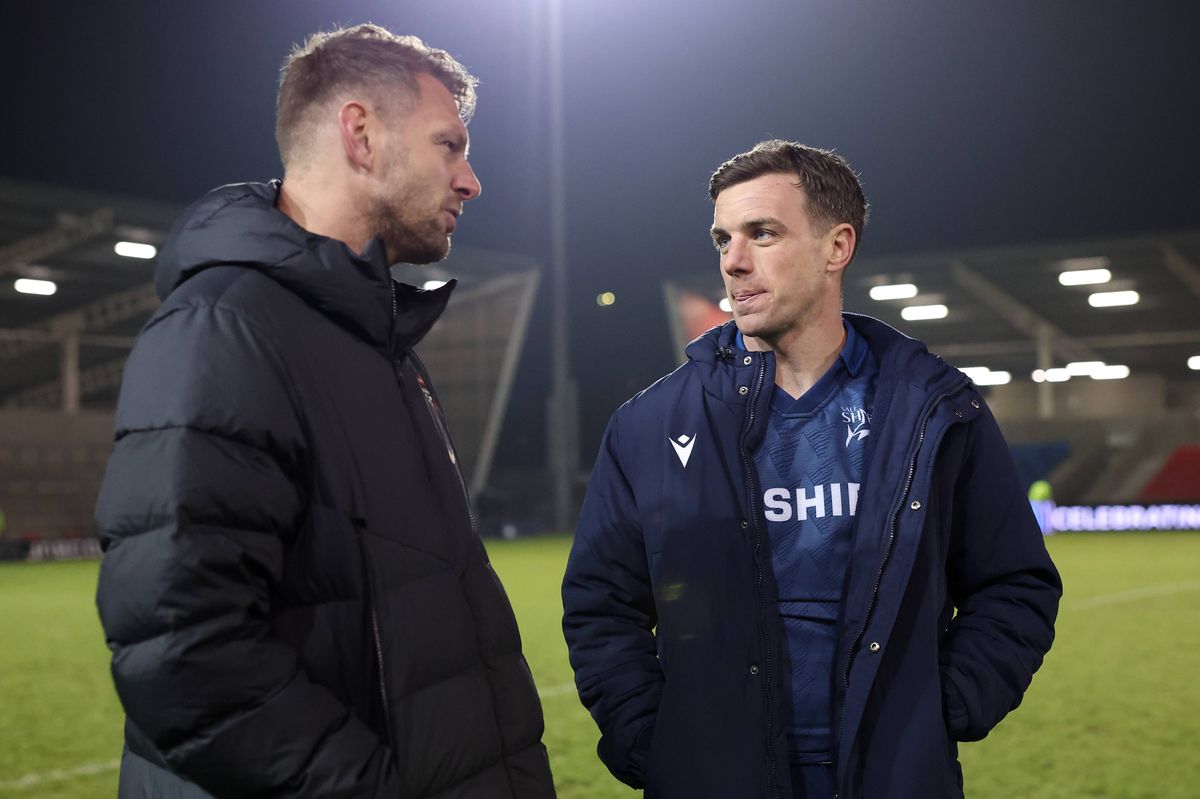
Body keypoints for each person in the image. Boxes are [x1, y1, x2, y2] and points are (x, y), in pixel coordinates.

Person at [95, 24, 555, 798]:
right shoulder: (224, 327)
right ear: (361, 133)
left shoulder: (379, 344)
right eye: (450, 145)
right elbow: (185, 652)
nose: (470, 179)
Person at [562, 140, 1061, 799]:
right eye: (722, 239)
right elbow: (602, 604)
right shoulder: (649, 425)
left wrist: (945, 708)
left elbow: (1015, 581)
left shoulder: (935, 410)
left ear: (837, 247)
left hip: (891, 775)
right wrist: (654, 739)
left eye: (762, 233)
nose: (733, 262)